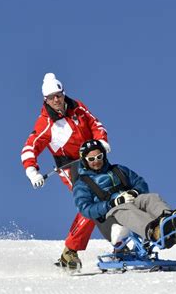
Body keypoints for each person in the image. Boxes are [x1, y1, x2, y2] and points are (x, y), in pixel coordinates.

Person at [21, 72, 111, 269]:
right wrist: (32, 171)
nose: (57, 100)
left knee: (114, 193)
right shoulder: (45, 123)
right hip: (71, 167)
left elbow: (95, 123)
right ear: (45, 100)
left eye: (59, 95)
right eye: (52, 97)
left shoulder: (77, 107)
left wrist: (102, 140)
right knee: (92, 201)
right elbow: (29, 148)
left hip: (95, 159)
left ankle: (122, 240)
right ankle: (70, 251)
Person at [72, 140, 176, 248]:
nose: (96, 161)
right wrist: (111, 203)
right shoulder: (82, 183)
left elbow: (140, 182)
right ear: (85, 161)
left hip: (131, 199)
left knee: (150, 198)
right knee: (124, 209)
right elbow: (85, 208)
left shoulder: (118, 169)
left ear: (104, 155)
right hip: (111, 212)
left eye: (99, 157)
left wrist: (134, 192)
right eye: (91, 159)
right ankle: (154, 230)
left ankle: (170, 221)